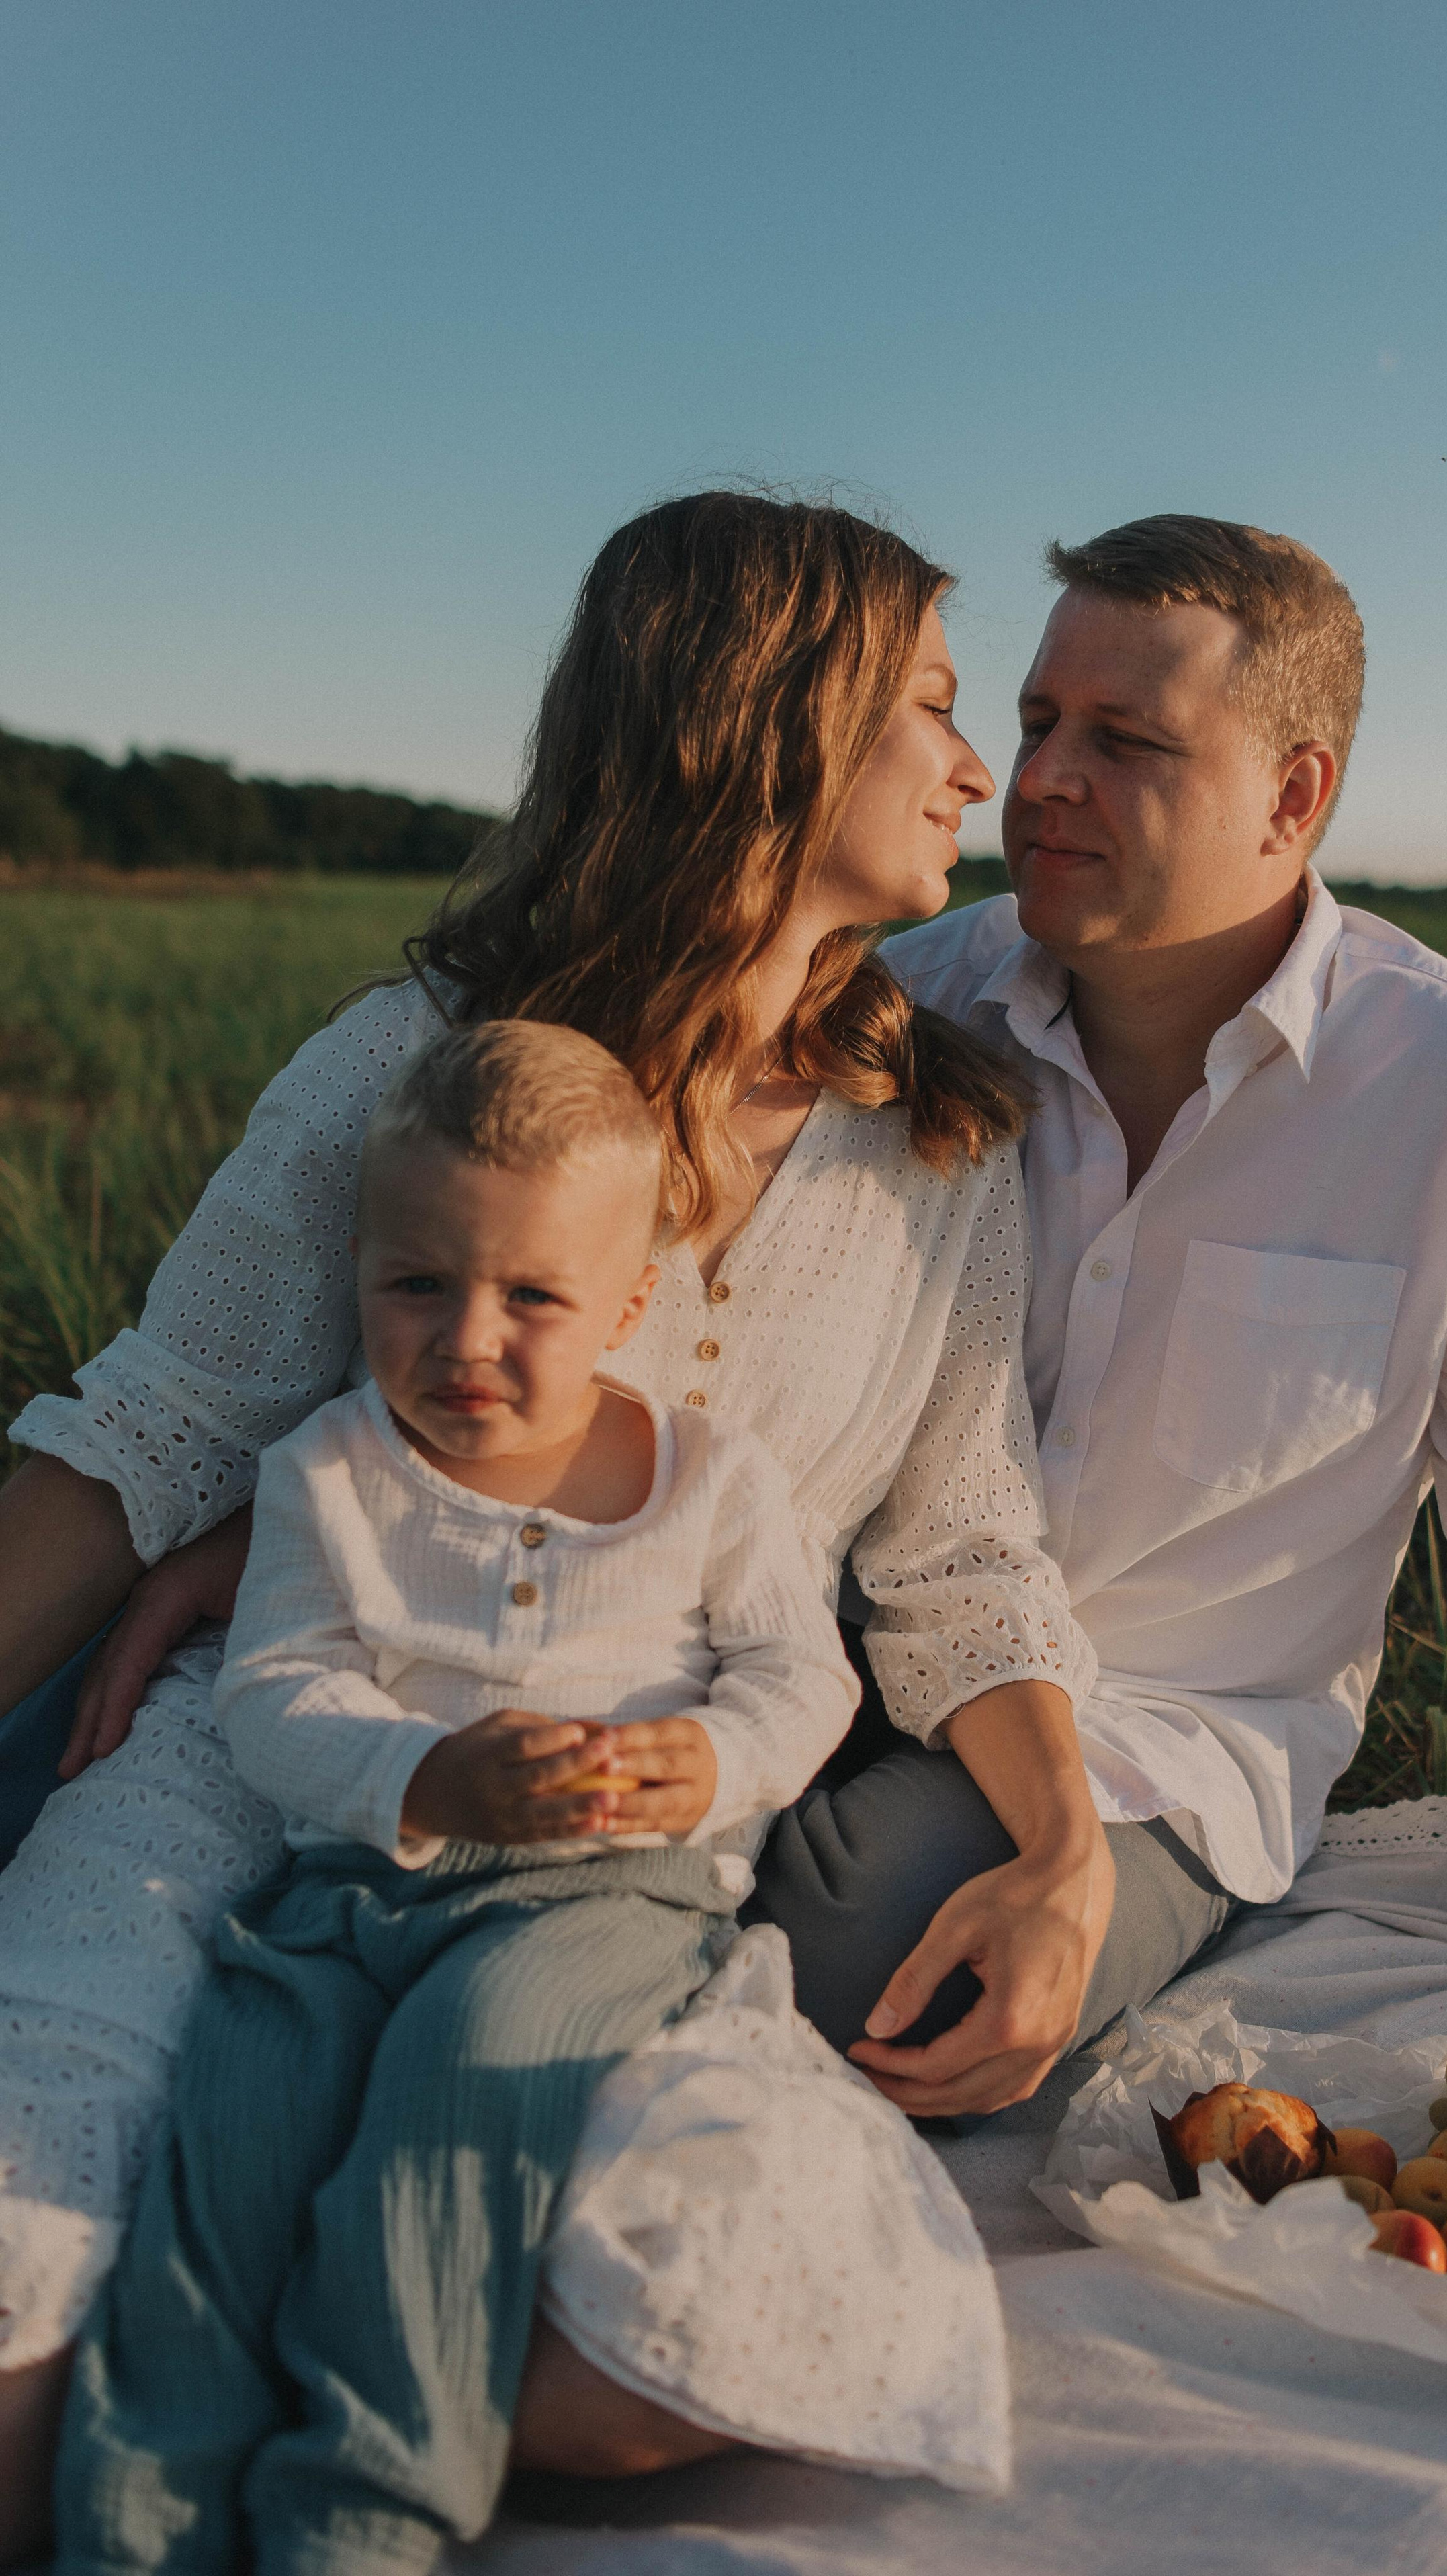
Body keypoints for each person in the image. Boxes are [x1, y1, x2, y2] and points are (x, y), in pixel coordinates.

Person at [0, 494, 1116, 2560]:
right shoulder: (418, 1059)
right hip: (260, 1777)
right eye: (938, 711)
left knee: (644, 2354)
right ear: (759, 729)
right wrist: (278, 1516)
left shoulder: (938, 1145)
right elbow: (156, 1426)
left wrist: (1067, 1853)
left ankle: (300, 2393)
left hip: (611, 1868)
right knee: (17, 2333)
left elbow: (960, 1560)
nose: (983, 770)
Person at [830, 509, 1447, 2137]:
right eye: (1033, 723)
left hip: (1159, 1745)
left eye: (1123, 739)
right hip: (839, 1652)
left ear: (1292, 796)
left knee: (861, 1950)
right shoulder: (906, 1006)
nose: (1035, 780)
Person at [53, 1017, 867, 2574]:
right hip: (347, 1890)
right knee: (232, 2128)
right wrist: (422, 1768)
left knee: (455, 2095)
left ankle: (362, 2517)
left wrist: (712, 1762)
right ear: (359, 1272)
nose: (465, 1339)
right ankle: (141, 2520)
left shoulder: (705, 1477)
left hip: (602, 1892)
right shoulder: (329, 1474)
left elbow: (798, 1677)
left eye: (532, 1298)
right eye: (414, 1284)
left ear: (628, 1302)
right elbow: (273, 1690)